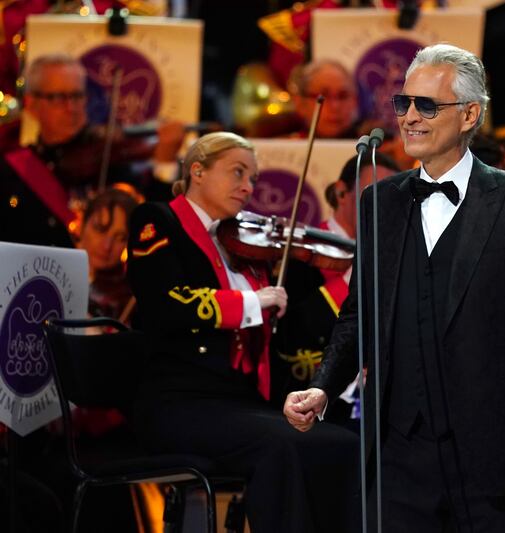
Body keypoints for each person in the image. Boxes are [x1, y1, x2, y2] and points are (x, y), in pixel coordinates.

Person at [284, 44, 505, 531]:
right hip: (399, 454)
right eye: (404, 104)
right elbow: (359, 315)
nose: (410, 118)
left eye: (427, 105)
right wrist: (323, 387)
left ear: (470, 114)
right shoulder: (379, 202)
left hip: (495, 455)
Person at [126, 131, 359, 533]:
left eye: (252, 177)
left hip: (239, 400)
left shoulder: (243, 245)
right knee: (279, 446)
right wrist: (254, 303)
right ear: (197, 171)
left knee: (342, 443)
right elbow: (166, 303)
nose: (248, 187)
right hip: (179, 402)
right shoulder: (158, 221)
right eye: (237, 172)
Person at [0, 53, 184, 247]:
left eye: (77, 96)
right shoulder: (12, 171)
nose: (71, 107)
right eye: (58, 98)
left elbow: (154, 224)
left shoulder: (112, 159)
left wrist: (165, 163)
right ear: (31, 104)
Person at [273, 152, 400, 425]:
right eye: (372, 191)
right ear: (341, 193)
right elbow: (291, 337)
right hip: (312, 399)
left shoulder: (392, 256)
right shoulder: (300, 256)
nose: (382, 205)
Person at [76, 185, 143, 322]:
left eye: (120, 238)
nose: (107, 246)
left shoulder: (129, 299)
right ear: (83, 224)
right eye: (100, 229)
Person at [289, 59, 361, 139]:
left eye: (343, 96)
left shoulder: (371, 146)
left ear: (355, 101)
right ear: (300, 103)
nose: (335, 106)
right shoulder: (286, 146)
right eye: (323, 96)